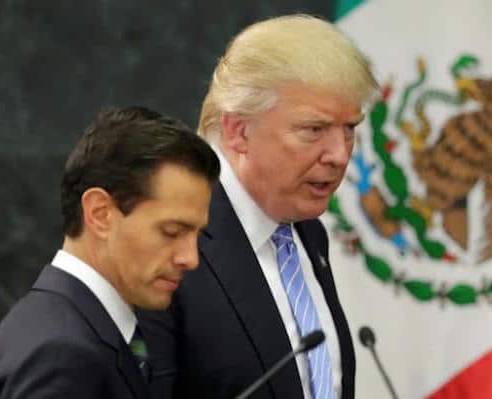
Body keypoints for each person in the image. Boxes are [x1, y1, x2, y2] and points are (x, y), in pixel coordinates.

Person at [137, 14, 377, 399]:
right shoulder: (166, 245)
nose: (339, 154)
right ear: (239, 131)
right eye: (313, 130)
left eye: (349, 129)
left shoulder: (305, 229)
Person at [0, 106, 220, 399]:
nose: (190, 258)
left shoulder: (55, 327)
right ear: (100, 214)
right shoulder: (63, 356)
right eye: (172, 232)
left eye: (197, 235)